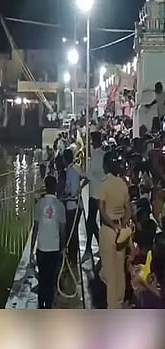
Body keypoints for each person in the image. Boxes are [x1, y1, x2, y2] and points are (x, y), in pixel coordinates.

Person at [98, 150, 132, 309]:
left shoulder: (104, 185)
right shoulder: (123, 184)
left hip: (108, 231)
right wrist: (122, 226)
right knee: (120, 271)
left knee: (110, 274)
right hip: (122, 231)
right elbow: (129, 210)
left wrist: (113, 226)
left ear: (106, 166)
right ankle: (119, 303)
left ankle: (112, 308)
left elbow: (102, 211)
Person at [29, 175, 66, 309]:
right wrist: (63, 248)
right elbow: (62, 231)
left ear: (46, 186)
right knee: (51, 281)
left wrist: (31, 249)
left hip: (42, 248)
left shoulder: (39, 204)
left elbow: (35, 228)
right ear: (55, 187)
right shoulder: (60, 206)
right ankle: (48, 306)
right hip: (54, 249)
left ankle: (41, 304)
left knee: (42, 279)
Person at [83, 130, 105, 262]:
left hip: (94, 194)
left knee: (90, 221)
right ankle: (94, 248)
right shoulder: (103, 155)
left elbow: (90, 175)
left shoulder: (96, 156)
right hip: (102, 193)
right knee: (98, 222)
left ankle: (90, 249)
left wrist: (82, 179)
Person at [62, 148, 85, 267]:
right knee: (71, 231)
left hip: (73, 207)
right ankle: (71, 257)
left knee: (72, 232)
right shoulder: (73, 169)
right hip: (73, 206)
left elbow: (74, 191)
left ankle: (73, 258)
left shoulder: (72, 172)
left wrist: (65, 195)